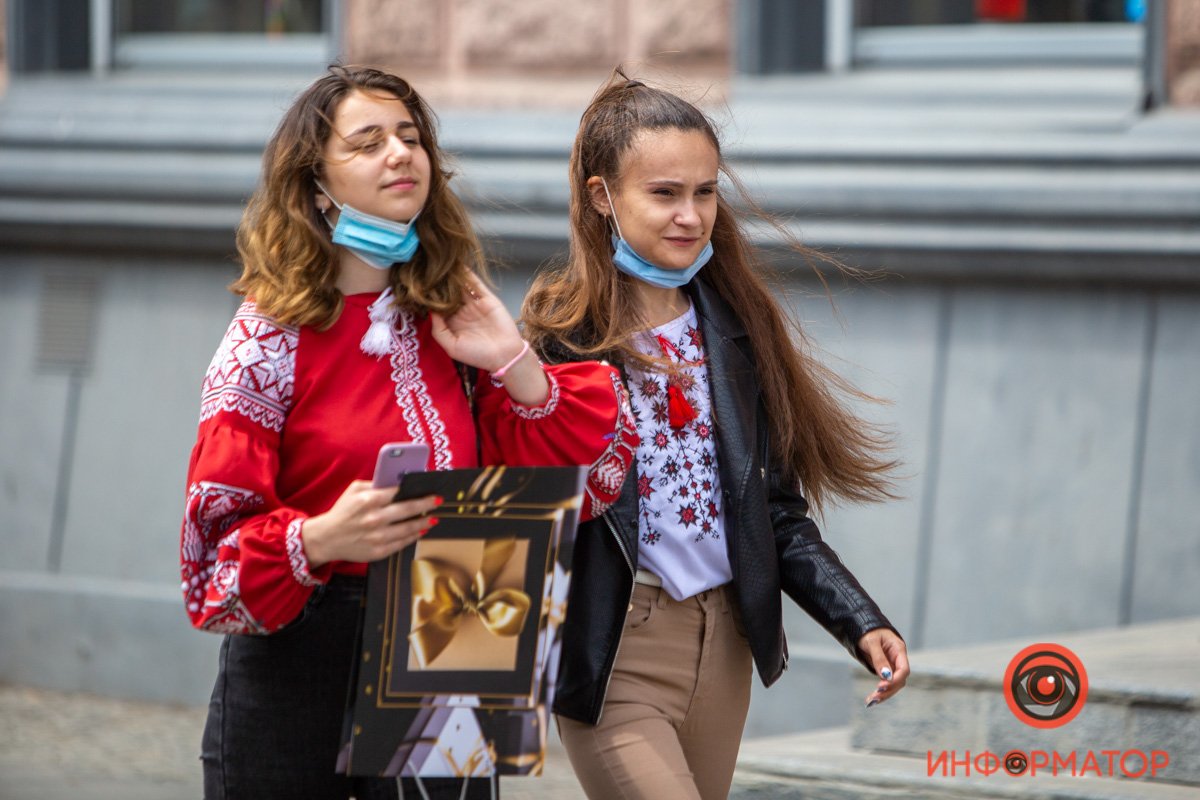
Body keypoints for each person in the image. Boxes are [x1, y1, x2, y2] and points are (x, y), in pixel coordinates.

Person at [179, 65, 633, 800]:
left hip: (452, 611)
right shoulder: (266, 340)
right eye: (367, 142)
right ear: (316, 188)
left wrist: (514, 360)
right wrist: (322, 538)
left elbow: (595, 482)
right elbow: (211, 577)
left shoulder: (454, 316)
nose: (400, 154)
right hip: (303, 651)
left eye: (412, 136)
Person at [521, 74, 911, 800]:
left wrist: (859, 621)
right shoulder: (556, 344)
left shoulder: (735, 328)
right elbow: (525, 503)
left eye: (705, 192)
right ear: (603, 196)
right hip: (616, 651)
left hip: (726, 646)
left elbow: (776, 512)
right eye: (665, 193)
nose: (691, 215)